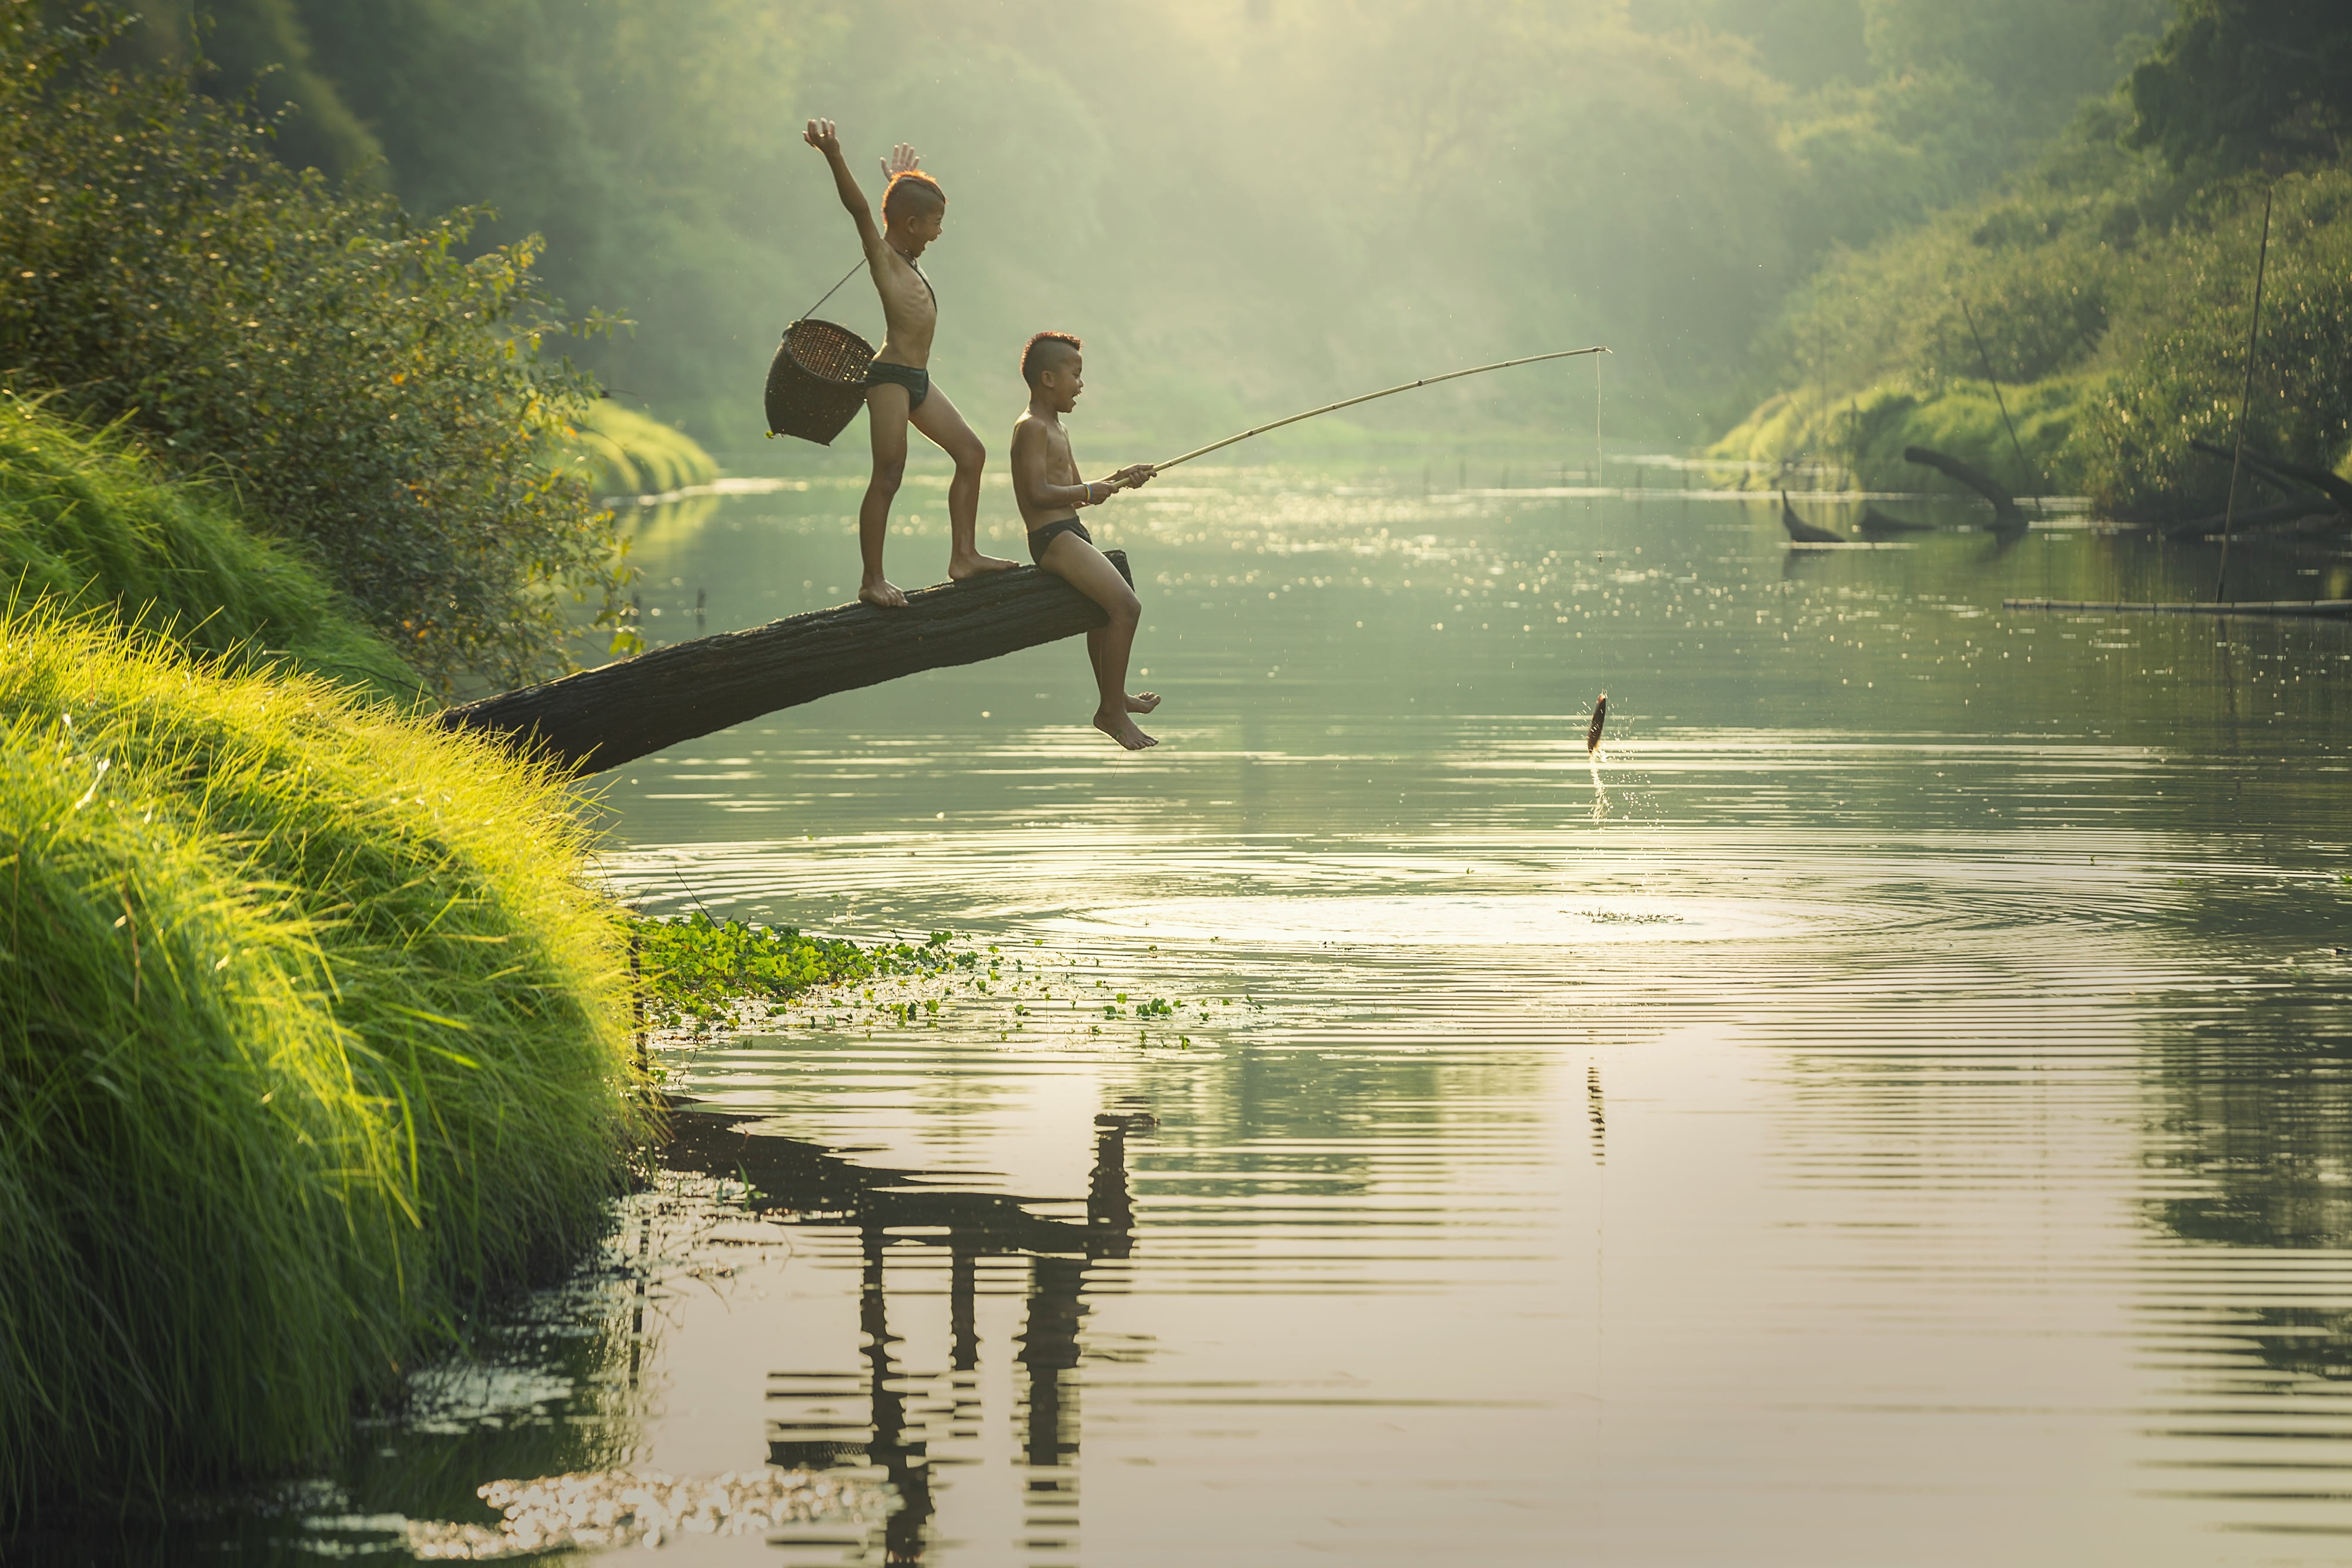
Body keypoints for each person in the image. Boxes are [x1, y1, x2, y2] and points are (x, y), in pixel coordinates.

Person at [803, 118, 1014, 607]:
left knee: (972, 454)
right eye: (935, 224)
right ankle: (871, 580)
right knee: (889, 473)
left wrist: (899, 186)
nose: (939, 233)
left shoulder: (909, 252)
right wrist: (834, 154)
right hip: (890, 379)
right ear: (913, 225)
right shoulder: (883, 258)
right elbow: (860, 211)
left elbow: (900, 218)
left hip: (919, 379)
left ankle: (964, 556)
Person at [1008, 331, 1161, 750]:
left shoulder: (1058, 428)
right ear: (1047, 379)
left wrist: (1120, 479)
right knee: (1127, 606)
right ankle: (1110, 710)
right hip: (1051, 537)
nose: (1081, 384)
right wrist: (1090, 490)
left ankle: (1115, 697)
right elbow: (1037, 493)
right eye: (1075, 374)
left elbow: (1077, 488)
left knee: (1103, 612)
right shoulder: (1031, 428)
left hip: (1071, 530)